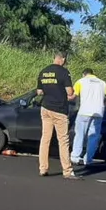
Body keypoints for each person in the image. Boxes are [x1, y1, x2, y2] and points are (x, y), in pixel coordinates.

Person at [36, 52, 81, 180]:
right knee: (63, 140)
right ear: (63, 59)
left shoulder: (43, 71)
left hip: (45, 108)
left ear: (54, 58)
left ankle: (43, 168)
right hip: (59, 110)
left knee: (45, 139)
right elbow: (70, 92)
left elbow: (39, 91)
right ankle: (67, 171)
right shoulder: (63, 72)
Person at [70, 68, 106, 168]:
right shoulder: (102, 83)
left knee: (80, 134)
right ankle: (88, 159)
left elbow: (73, 96)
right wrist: (105, 104)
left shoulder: (81, 81)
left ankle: (75, 157)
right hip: (98, 112)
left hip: (84, 112)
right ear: (93, 74)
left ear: (84, 74)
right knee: (93, 137)